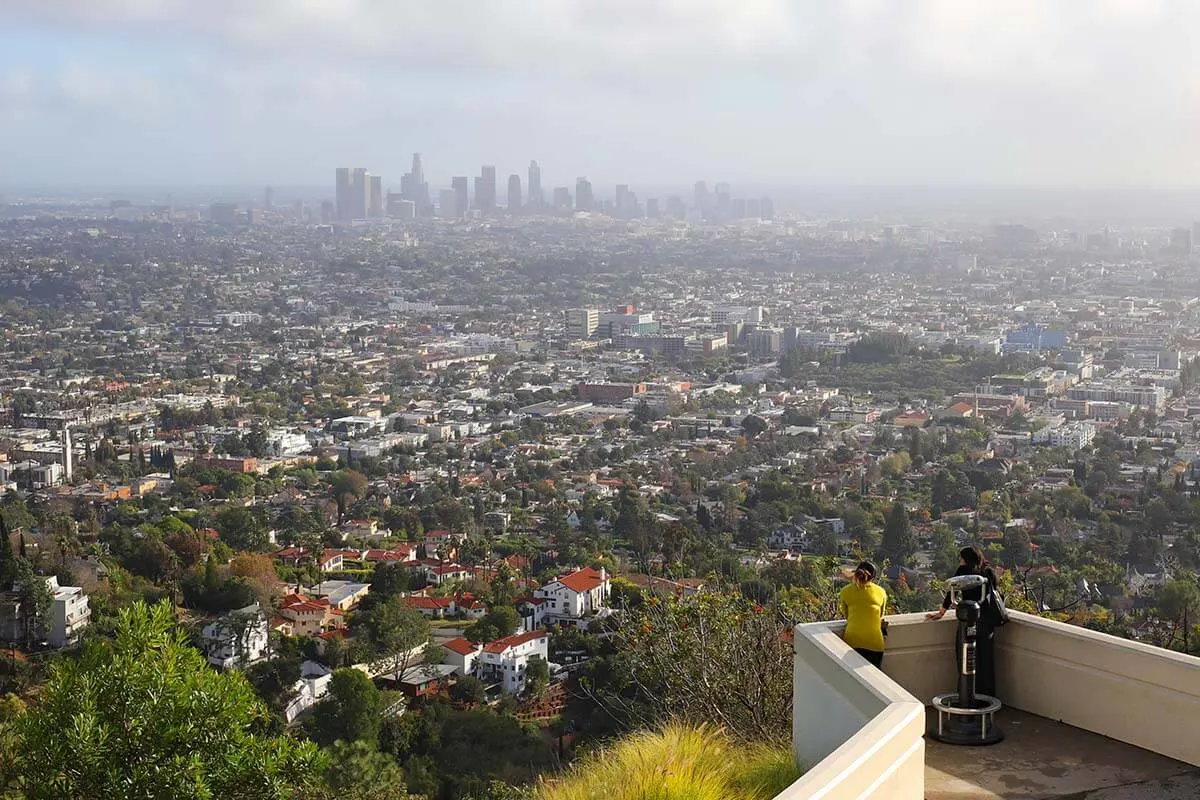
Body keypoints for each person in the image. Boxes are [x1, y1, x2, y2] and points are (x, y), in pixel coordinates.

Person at [926, 546, 999, 697]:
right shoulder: (987, 572)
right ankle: (986, 694)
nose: (960, 561)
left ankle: (967, 694)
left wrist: (941, 612)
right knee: (985, 660)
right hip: (986, 623)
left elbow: (952, 590)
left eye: (961, 558)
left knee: (965, 657)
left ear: (965, 559)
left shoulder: (963, 572)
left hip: (968, 621)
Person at [839, 560, 888, 668]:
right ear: (873, 578)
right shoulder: (881, 592)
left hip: (852, 641)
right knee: (873, 680)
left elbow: (847, 615)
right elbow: (880, 615)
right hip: (875, 643)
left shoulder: (845, 591)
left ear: (856, 574)